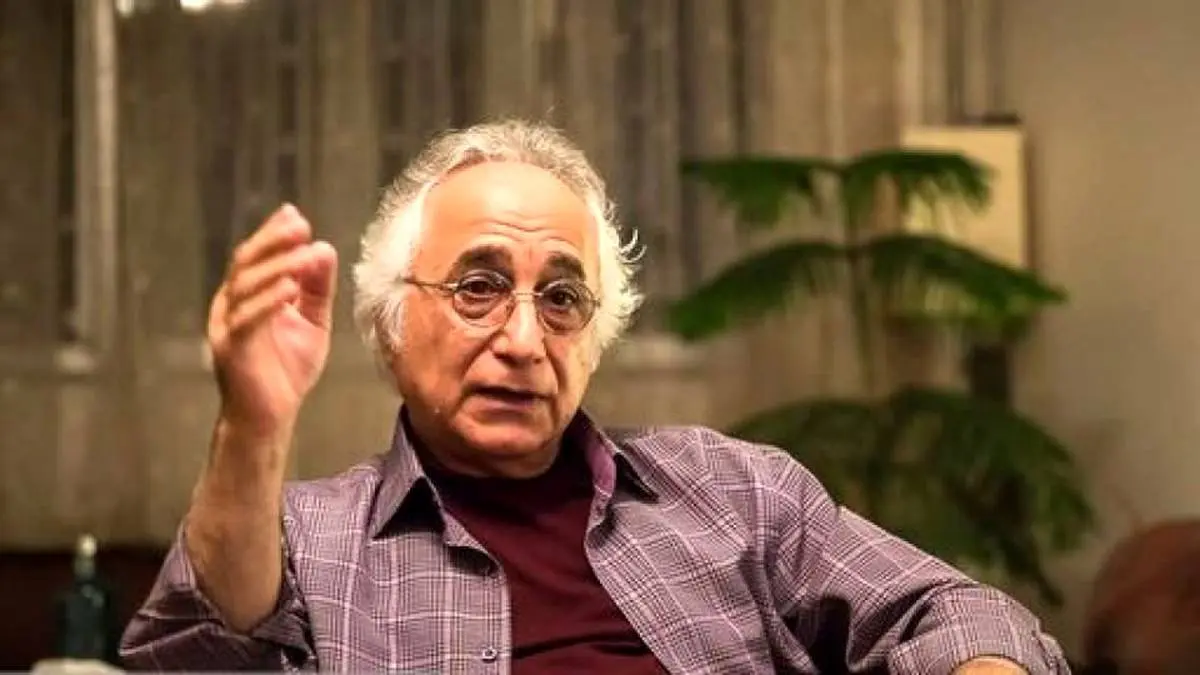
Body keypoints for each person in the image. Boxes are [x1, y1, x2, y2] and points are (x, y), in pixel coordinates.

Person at [120, 119, 1069, 674]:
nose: (524, 340)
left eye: (562, 299)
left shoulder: (735, 492)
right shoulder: (310, 540)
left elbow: (954, 612)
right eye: (479, 286)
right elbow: (196, 655)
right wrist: (253, 423)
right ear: (392, 322)